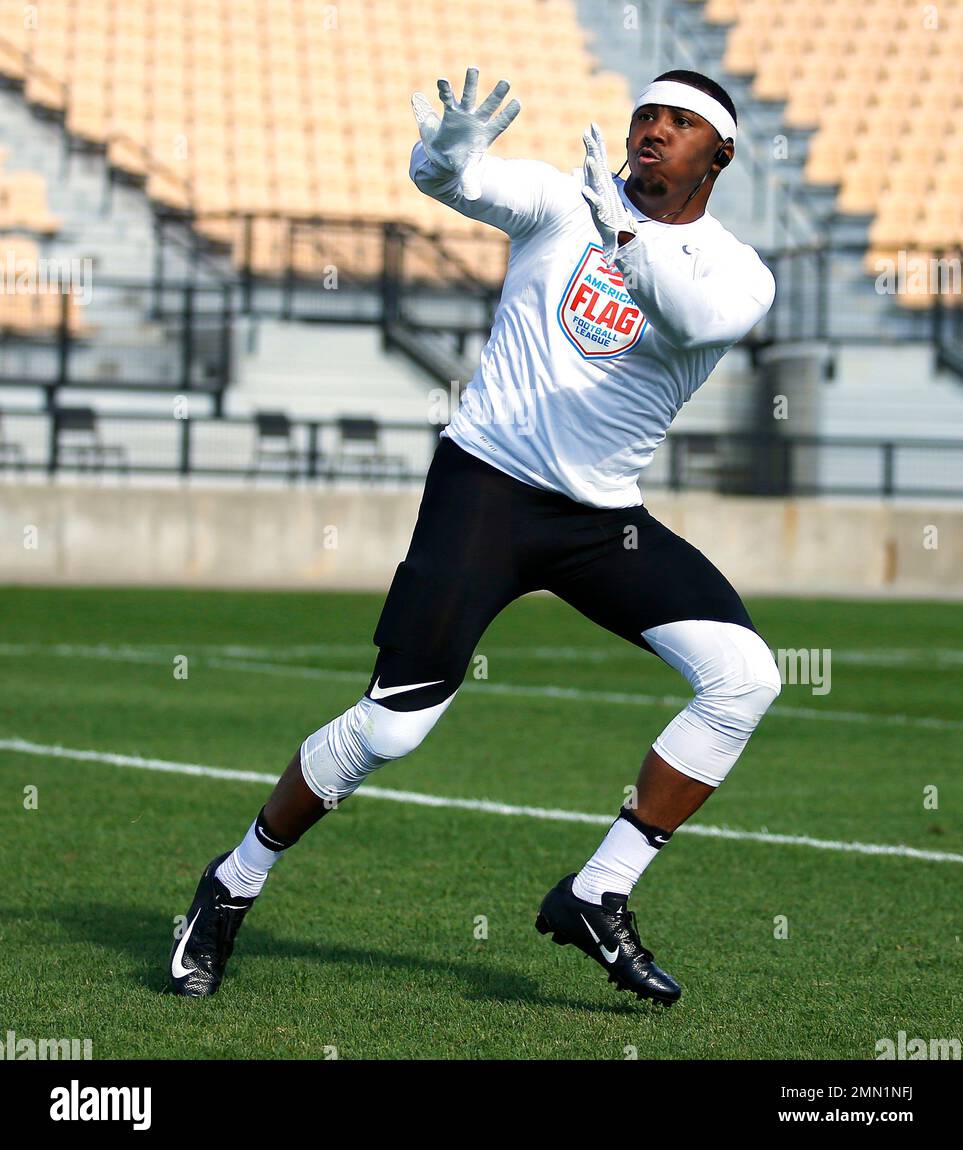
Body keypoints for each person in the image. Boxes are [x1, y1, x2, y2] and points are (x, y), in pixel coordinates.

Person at [169, 66, 779, 1008]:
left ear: (721, 153)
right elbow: (462, 184)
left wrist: (627, 237)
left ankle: (597, 889)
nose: (653, 130)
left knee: (744, 677)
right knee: (392, 727)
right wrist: (443, 159)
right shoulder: (563, 198)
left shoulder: (737, 270)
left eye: (680, 122)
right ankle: (232, 881)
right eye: (645, 115)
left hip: (600, 517)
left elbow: (688, 315)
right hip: (487, 486)